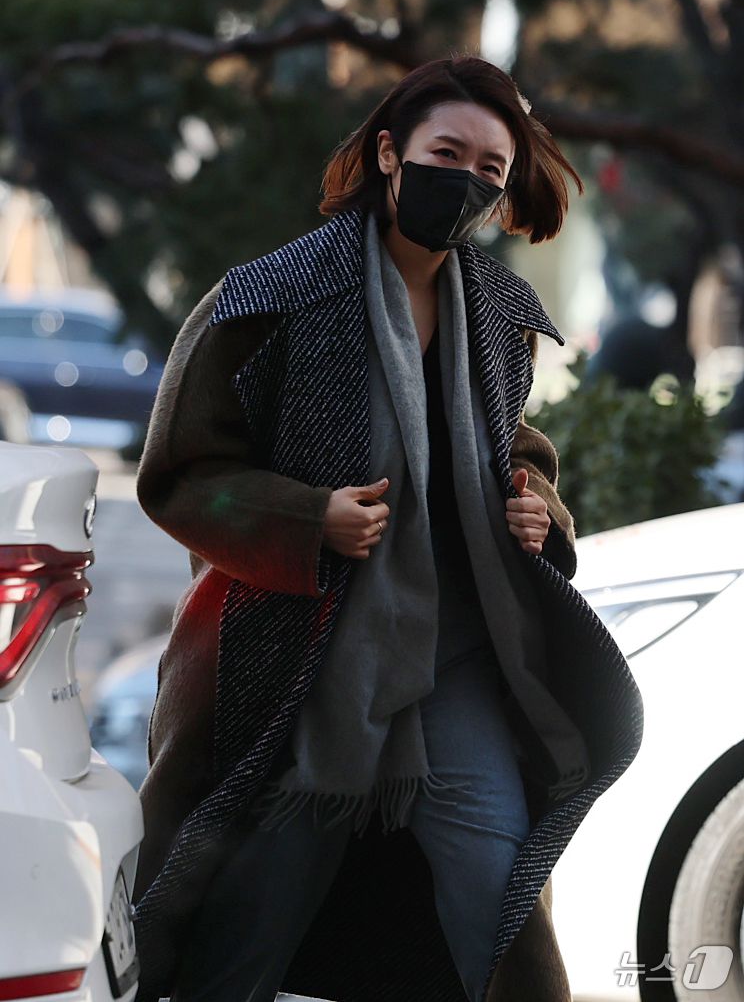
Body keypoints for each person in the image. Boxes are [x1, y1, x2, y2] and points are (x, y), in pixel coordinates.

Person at [132, 54, 644, 1002]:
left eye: (490, 169)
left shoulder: (497, 314)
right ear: (388, 153)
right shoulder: (271, 296)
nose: (467, 181)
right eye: (447, 153)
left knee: (502, 901)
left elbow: (512, 441)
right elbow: (181, 476)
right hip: (294, 669)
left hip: (459, 661)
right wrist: (308, 517)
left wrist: (536, 500)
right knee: (246, 925)